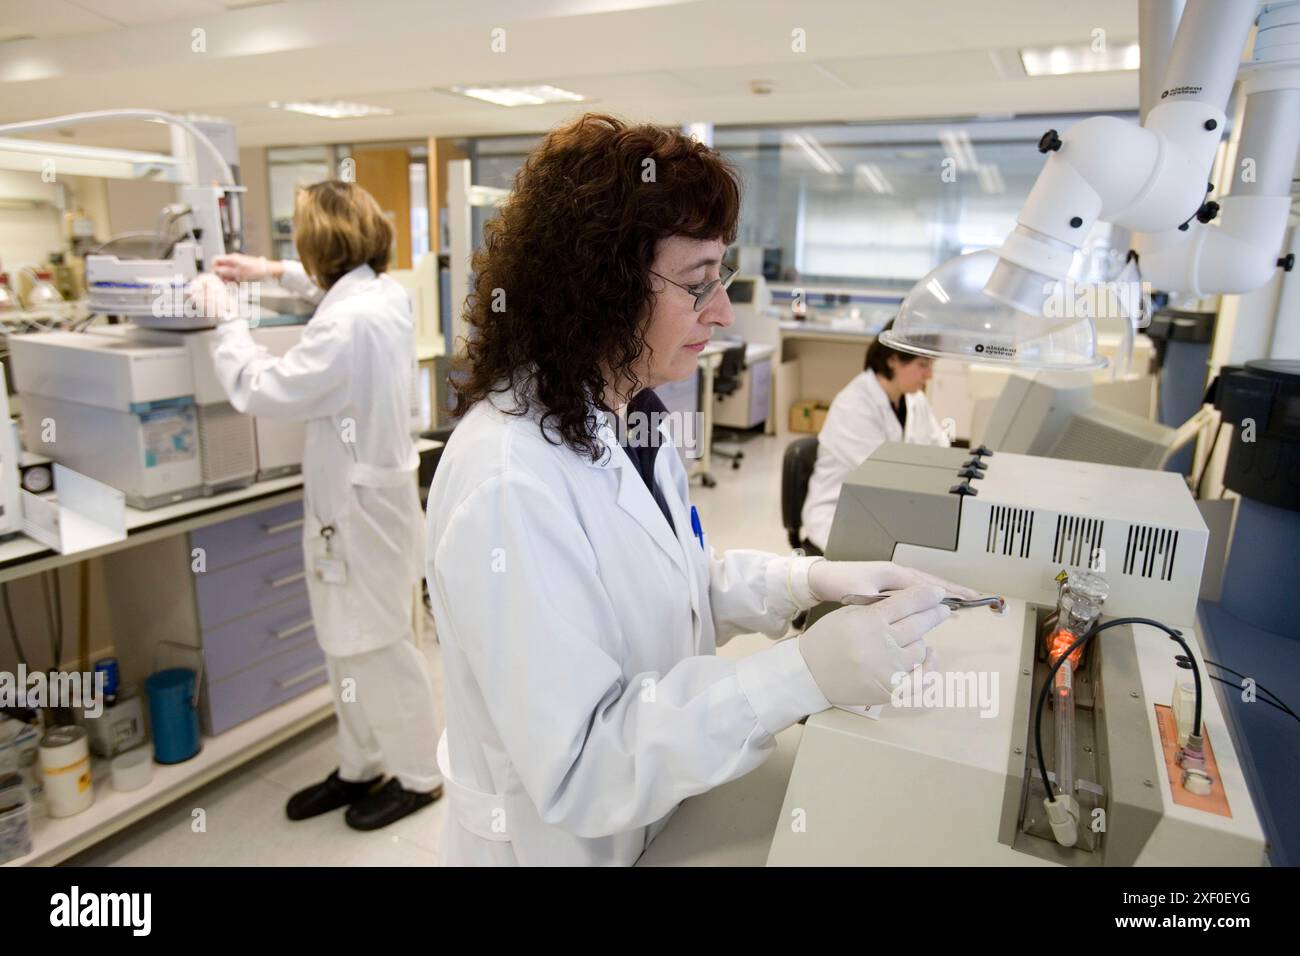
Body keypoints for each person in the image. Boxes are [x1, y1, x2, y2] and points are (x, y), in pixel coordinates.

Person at [423, 114, 976, 866]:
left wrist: (806, 580)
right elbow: (582, 767)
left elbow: (671, 589)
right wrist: (798, 676)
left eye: (721, 277)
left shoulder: (624, 414)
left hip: (661, 817)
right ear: (600, 290)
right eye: (697, 284)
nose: (720, 311)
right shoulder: (509, 484)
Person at [204, 181, 443, 831]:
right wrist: (270, 271)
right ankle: (359, 764)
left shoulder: (349, 321)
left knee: (379, 650)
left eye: (297, 239)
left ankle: (419, 776)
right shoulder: (378, 294)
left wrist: (224, 319)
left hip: (361, 515)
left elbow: (261, 387)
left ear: (319, 244)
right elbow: (325, 294)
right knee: (344, 647)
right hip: (358, 505)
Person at [800, 326, 950, 553]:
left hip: (887, 511)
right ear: (893, 360)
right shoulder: (853, 405)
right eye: (922, 365)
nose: (930, 375)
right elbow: (882, 478)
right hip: (842, 516)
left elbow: (940, 449)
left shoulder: (914, 400)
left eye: (931, 365)